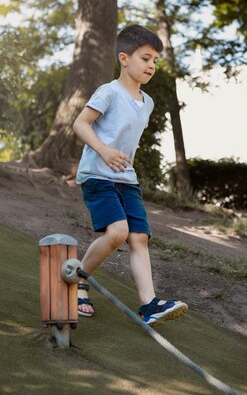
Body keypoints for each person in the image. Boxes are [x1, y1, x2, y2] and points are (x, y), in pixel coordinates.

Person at [72, 24, 187, 326]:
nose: (151, 66)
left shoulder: (147, 102)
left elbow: (129, 141)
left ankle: (148, 305)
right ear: (124, 58)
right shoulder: (108, 92)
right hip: (97, 175)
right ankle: (78, 279)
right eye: (145, 58)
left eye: (154, 61)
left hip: (127, 179)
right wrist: (104, 151)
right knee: (118, 232)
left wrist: (125, 163)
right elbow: (81, 124)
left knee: (139, 237)